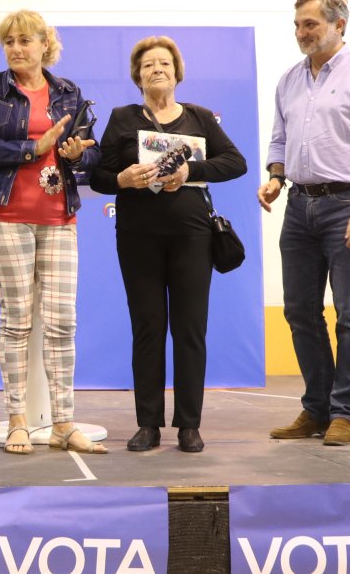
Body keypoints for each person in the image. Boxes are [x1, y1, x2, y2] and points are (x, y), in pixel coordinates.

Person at [257, 0, 350, 446]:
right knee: (300, 311)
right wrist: (276, 178)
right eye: (298, 25)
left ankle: (345, 414)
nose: (302, 33)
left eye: (311, 24)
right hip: (299, 205)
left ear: (340, 25)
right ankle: (316, 409)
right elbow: (280, 140)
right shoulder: (289, 80)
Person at [90, 35, 247, 453]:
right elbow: (99, 175)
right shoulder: (122, 117)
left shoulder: (198, 117)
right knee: (148, 329)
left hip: (192, 237)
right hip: (137, 237)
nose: (156, 69)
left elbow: (236, 162)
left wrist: (191, 169)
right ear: (137, 76)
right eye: (147, 65)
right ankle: (147, 424)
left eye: (164, 63)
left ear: (177, 72)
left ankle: (189, 425)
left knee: (190, 329)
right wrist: (121, 178)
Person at [0, 10, 105, 455]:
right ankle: (17, 420)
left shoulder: (68, 92)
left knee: (63, 322)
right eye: (9, 42)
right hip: (3, 214)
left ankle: (63, 422)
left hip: (59, 216)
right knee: (18, 320)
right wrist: (33, 148)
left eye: (25, 40)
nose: (16, 49)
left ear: (46, 44)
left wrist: (78, 153)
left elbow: (91, 157)